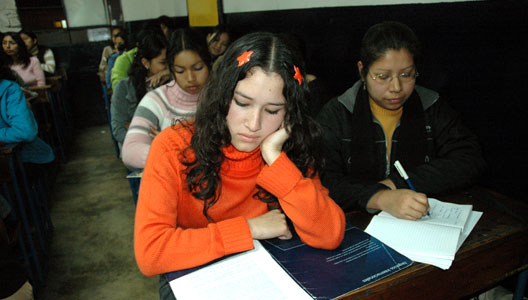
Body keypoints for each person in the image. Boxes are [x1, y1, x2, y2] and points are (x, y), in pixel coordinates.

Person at [133, 31, 346, 300]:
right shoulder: (173, 147)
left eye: (272, 111)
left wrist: (274, 157)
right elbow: (151, 253)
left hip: (265, 278)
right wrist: (250, 228)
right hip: (196, 276)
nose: (253, 124)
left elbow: (329, 234)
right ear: (223, 95)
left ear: (289, 113)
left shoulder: (289, 150)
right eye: (242, 103)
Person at [316, 21, 486, 220]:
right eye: (382, 76)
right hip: (352, 223)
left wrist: (395, 184)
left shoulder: (431, 106)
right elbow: (322, 180)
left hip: (420, 220)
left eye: (406, 75)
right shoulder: (337, 114)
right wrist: (380, 197)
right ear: (362, 71)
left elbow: (469, 160)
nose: (396, 87)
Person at [121, 28, 210, 170]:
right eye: (180, 71)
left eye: (198, 68)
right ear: (171, 69)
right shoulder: (157, 100)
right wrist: (175, 152)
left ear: (208, 63)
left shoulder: (222, 97)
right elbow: (130, 152)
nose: (190, 78)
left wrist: (170, 143)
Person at [110, 33, 168, 150]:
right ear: (145, 63)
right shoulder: (125, 87)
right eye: (163, 63)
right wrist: (152, 142)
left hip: (170, 148)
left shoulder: (174, 84)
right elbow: (119, 129)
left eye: (170, 62)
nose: (168, 67)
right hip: (141, 151)